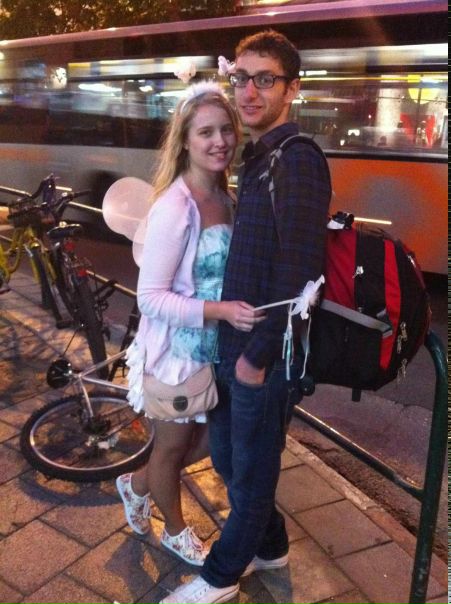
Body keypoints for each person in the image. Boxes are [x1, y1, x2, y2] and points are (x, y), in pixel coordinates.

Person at [160, 30, 331, 604]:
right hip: (235, 348)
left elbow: (300, 274)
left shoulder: (298, 159)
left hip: (264, 356)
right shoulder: (259, 159)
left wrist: (256, 360)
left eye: (265, 79)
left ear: (292, 88)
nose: (250, 92)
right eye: (242, 78)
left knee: (252, 474)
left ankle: (219, 578)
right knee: (233, 465)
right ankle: (271, 548)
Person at [116, 81, 264, 567]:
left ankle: (135, 485)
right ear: (184, 141)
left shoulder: (225, 195)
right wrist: (223, 311)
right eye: (205, 132)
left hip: (213, 350)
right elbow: (150, 297)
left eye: (226, 130)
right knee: (173, 448)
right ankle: (175, 532)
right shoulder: (175, 209)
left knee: (205, 443)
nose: (219, 141)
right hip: (175, 354)